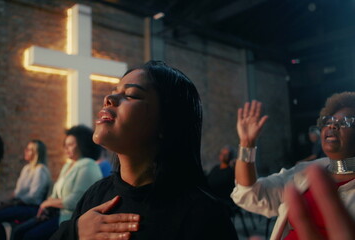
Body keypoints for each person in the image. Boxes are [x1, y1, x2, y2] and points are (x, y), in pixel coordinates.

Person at [51, 60, 237, 240]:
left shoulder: (203, 215)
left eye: (131, 94)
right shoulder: (97, 194)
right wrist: (75, 232)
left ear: (166, 123)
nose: (108, 99)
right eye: (114, 92)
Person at [231, 92, 355, 239]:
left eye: (345, 121)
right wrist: (247, 144)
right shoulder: (305, 172)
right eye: (328, 121)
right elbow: (250, 194)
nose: (333, 125)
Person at [11, 125, 103, 240]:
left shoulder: (88, 165)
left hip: (71, 220)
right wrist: (47, 207)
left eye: (70, 145)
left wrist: (47, 203)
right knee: (19, 231)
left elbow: (75, 201)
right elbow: (54, 194)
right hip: (56, 215)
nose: (66, 148)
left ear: (82, 145)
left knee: (29, 236)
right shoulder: (68, 165)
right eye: (65, 145)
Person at [0, 140, 51, 240]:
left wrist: (11, 204)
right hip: (19, 204)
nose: (25, 151)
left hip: (31, 207)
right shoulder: (26, 168)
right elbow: (17, 192)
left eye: (29, 150)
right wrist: (4, 203)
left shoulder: (40, 170)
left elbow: (33, 197)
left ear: (36, 153)